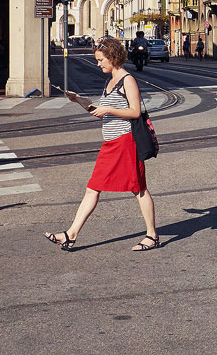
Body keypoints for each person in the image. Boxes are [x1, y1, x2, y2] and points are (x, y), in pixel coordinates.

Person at [44, 37, 159, 252]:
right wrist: (78, 100)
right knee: (94, 188)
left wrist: (108, 110)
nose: (98, 64)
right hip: (111, 144)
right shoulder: (111, 81)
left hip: (125, 142)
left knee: (138, 188)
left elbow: (135, 112)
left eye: (101, 60)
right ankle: (71, 234)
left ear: (113, 57)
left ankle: (152, 235)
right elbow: (100, 112)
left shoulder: (127, 80)